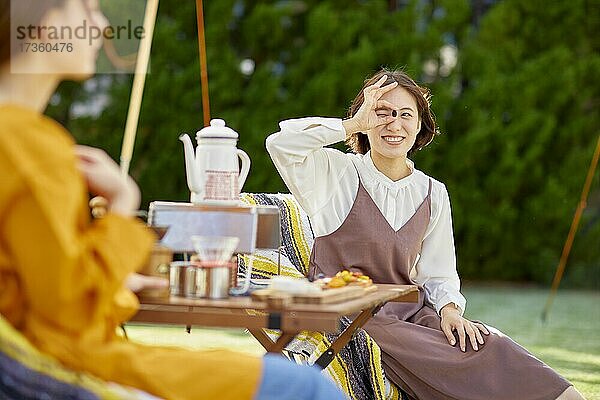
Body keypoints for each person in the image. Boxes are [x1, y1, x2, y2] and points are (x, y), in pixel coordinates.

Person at [0, 1, 346, 399]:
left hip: (44, 352)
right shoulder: (29, 145)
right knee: (305, 386)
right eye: (87, 10)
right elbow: (72, 311)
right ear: (42, 25)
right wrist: (123, 202)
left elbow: (36, 279)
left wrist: (116, 278)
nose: (102, 26)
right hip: (68, 366)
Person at [266, 69, 586, 400]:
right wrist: (351, 125)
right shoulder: (335, 173)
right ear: (365, 119)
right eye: (382, 113)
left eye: (406, 114)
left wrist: (449, 311)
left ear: (419, 125)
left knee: (481, 342)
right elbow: (280, 144)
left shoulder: (432, 192)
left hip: (412, 315)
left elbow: (438, 272)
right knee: (441, 358)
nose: (394, 124)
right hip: (350, 317)